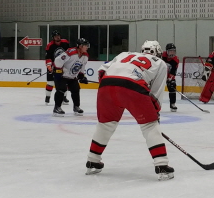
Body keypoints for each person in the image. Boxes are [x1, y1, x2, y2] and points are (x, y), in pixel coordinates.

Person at [85, 40, 174, 180]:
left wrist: (109, 89)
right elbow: (155, 93)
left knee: (105, 125)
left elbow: (102, 70)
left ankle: (92, 161)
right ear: (158, 52)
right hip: (133, 86)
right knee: (150, 125)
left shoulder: (124, 54)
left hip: (106, 84)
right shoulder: (160, 63)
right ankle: (162, 165)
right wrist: (154, 114)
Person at [52, 37, 90, 115]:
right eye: (85, 45)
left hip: (72, 76)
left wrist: (81, 75)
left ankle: (76, 107)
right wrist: (58, 71)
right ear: (80, 46)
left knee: (76, 90)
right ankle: (57, 108)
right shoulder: (71, 52)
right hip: (63, 75)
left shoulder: (85, 55)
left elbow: (82, 66)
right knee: (61, 89)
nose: (87, 47)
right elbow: (58, 60)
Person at [44, 31, 69, 105]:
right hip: (53, 65)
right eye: (55, 36)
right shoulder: (50, 45)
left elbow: (69, 53)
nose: (57, 37)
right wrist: (49, 66)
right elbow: (48, 57)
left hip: (63, 66)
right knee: (50, 83)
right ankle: (47, 97)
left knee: (64, 82)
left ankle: (64, 97)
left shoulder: (65, 43)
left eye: (58, 36)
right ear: (53, 38)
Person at [162, 42, 180, 111]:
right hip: (160, 75)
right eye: (170, 51)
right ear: (167, 51)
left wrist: (170, 79)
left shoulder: (175, 60)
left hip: (168, 75)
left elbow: (173, 71)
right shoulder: (161, 56)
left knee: (172, 85)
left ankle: (172, 104)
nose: (172, 53)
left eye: (173, 51)